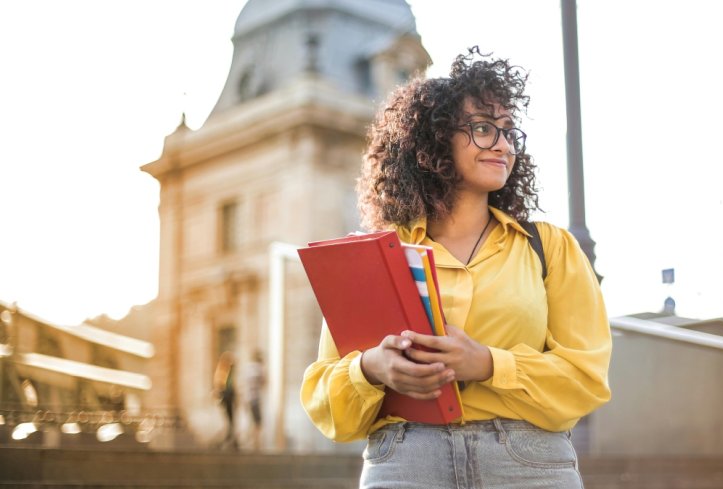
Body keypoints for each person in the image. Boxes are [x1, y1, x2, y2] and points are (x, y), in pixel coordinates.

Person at [301, 47, 612, 488]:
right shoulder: (374, 257)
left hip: (528, 463)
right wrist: (372, 368)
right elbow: (326, 401)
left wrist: (487, 364)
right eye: (483, 128)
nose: (503, 144)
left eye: (508, 131)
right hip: (406, 461)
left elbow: (586, 379)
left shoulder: (549, 247)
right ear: (434, 140)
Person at [213, 351, 237, 449]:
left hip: (229, 398)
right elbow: (220, 386)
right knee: (228, 419)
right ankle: (228, 438)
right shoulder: (222, 371)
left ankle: (231, 438)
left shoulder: (228, 372)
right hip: (226, 397)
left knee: (230, 420)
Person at [242, 349, 266, 450]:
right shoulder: (259, 368)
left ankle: (250, 443)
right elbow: (264, 382)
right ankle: (256, 444)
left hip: (247, 397)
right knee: (257, 422)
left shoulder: (247, 368)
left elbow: (242, 383)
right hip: (255, 398)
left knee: (250, 421)